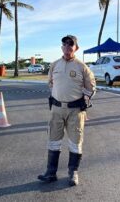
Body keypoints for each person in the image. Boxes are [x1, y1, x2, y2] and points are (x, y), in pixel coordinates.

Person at [38, 35, 96, 186]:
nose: (68, 47)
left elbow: (91, 88)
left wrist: (84, 102)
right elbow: (51, 83)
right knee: (53, 141)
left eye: (71, 45)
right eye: (65, 45)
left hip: (75, 111)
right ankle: (51, 173)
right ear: (61, 47)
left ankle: (73, 173)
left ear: (76, 48)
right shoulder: (54, 65)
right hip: (56, 109)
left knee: (75, 142)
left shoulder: (82, 67)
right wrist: (58, 95)